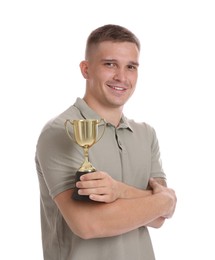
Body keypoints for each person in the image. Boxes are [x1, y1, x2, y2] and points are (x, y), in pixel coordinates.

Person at [35, 24, 177, 260]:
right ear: (86, 69)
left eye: (130, 67)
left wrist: (119, 191)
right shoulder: (61, 132)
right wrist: (163, 199)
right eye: (110, 64)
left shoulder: (146, 134)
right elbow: (88, 224)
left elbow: (159, 218)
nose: (121, 77)